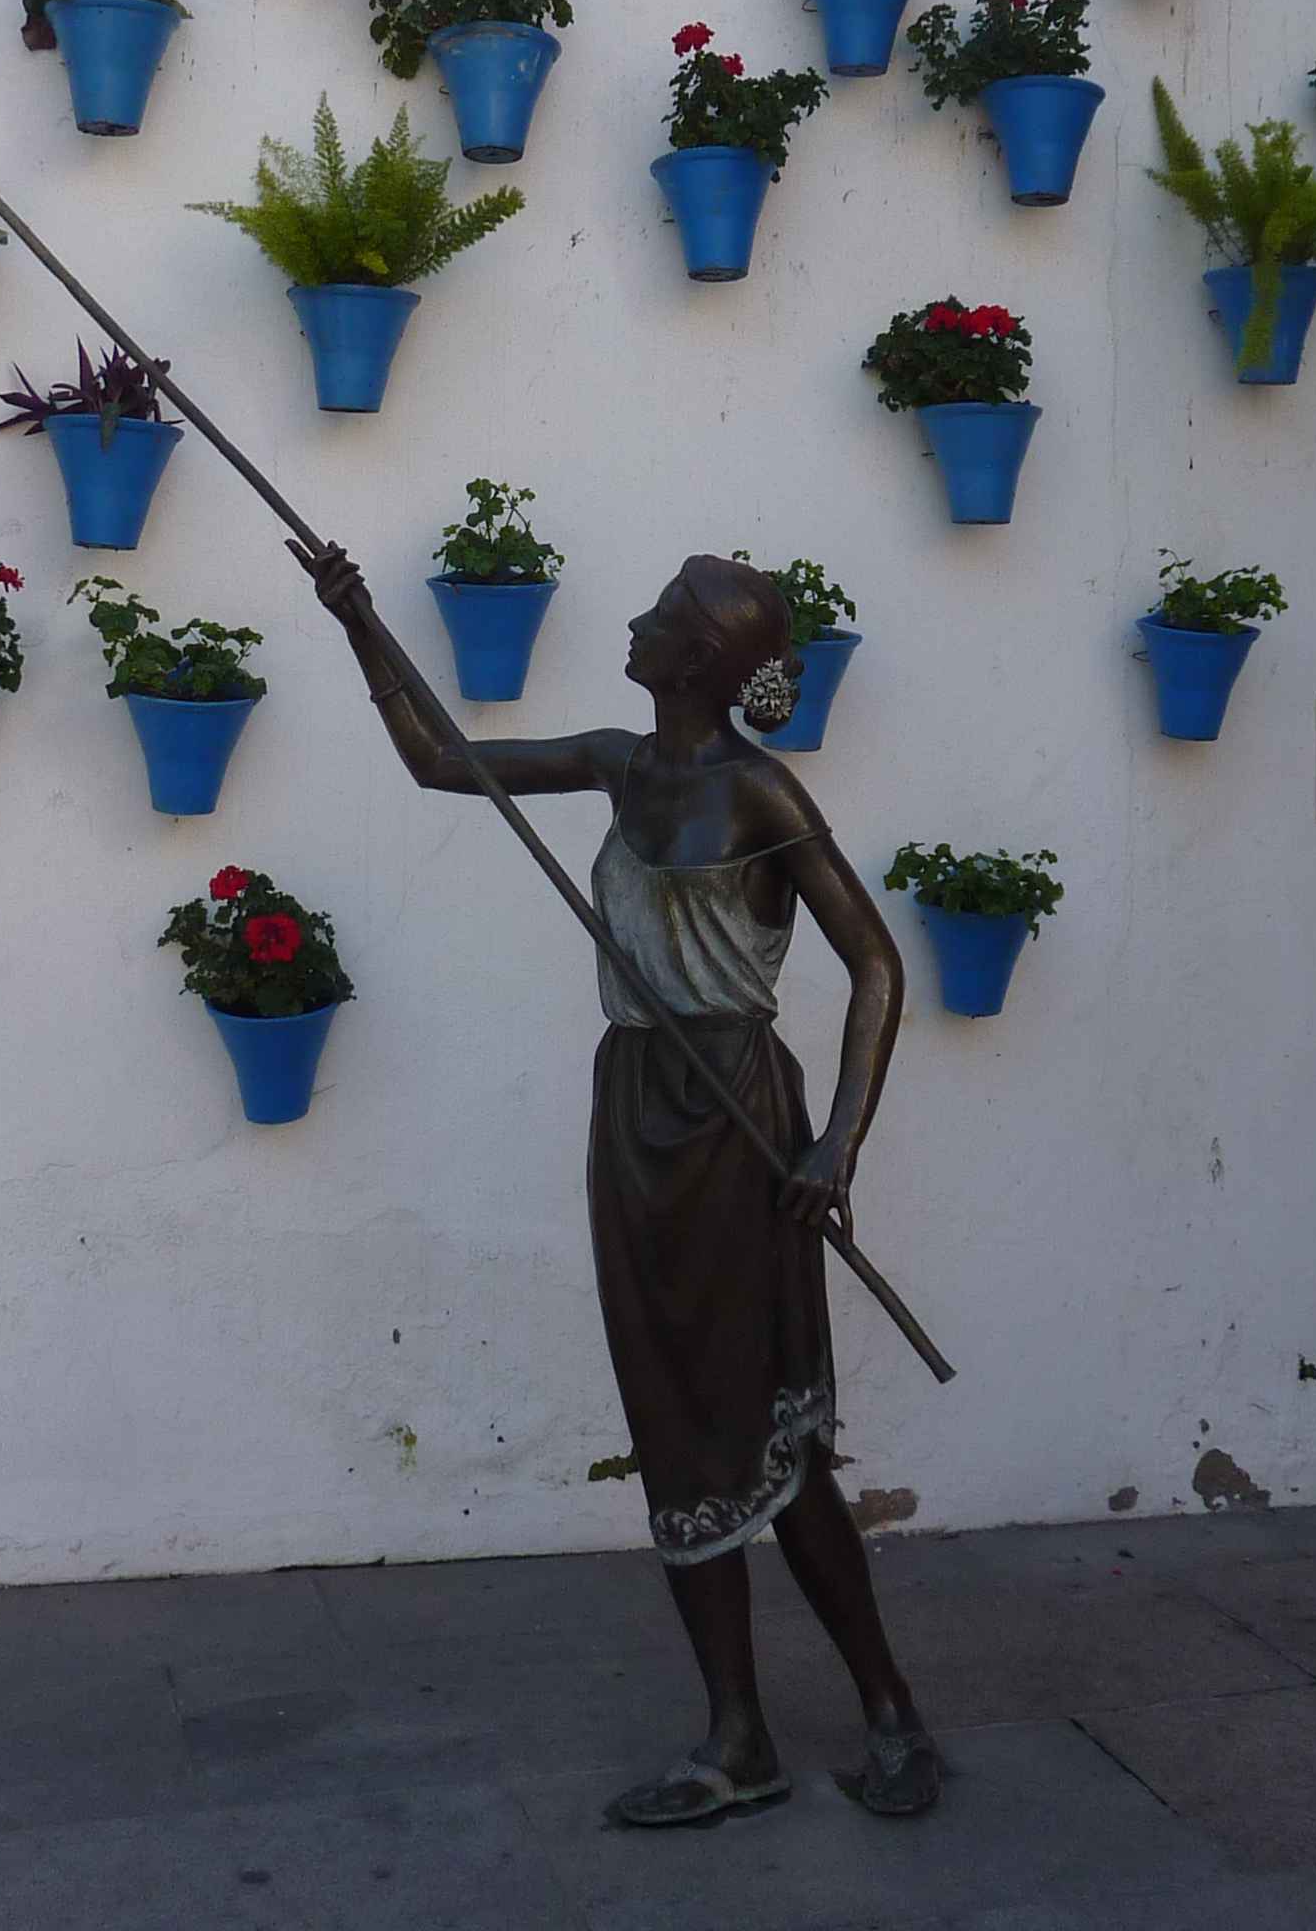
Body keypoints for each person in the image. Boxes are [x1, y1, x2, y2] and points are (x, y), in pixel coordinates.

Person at [295, 537, 939, 1824]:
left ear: (700, 657)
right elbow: (438, 762)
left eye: (657, 615)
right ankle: (738, 1736)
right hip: (637, 1109)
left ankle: (889, 1710)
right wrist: (357, 620)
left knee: (770, 1431)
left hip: (737, 1117)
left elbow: (875, 964)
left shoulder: (764, 796)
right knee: (676, 1426)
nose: (633, 626)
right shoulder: (613, 761)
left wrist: (838, 1143)